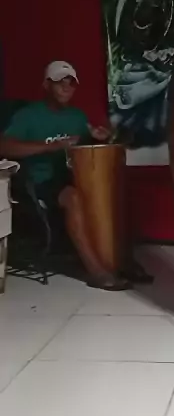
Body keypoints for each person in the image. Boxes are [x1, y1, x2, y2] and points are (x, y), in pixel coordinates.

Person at [0, 60, 140, 291]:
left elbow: (82, 146)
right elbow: (4, 146)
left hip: (73, 176)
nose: (66, 88)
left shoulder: (77, 116)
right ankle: (96, 272)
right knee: (73, 197)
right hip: (39, 181)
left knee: (112, 190)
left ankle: (121, 260)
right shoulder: (28, 115)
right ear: (46, 85)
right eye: (59, 82)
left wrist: (99, 136)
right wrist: (51, 146)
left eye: (71, 83)